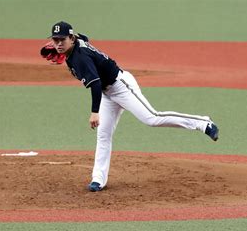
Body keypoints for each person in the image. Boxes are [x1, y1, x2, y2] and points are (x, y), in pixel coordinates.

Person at [44, 21, 219, 192]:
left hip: (122, 87)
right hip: (108, 94)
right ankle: (98, 179)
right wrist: (65, 51)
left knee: (152, 118)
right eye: (55, 40)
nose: (58, 44)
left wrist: (94, 112)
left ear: (71, 38)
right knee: (103, 135)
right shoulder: (78, 43)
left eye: (62, 40)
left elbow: (95, 84)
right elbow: (85, 37)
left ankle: (203, 123)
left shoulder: (80, 57)